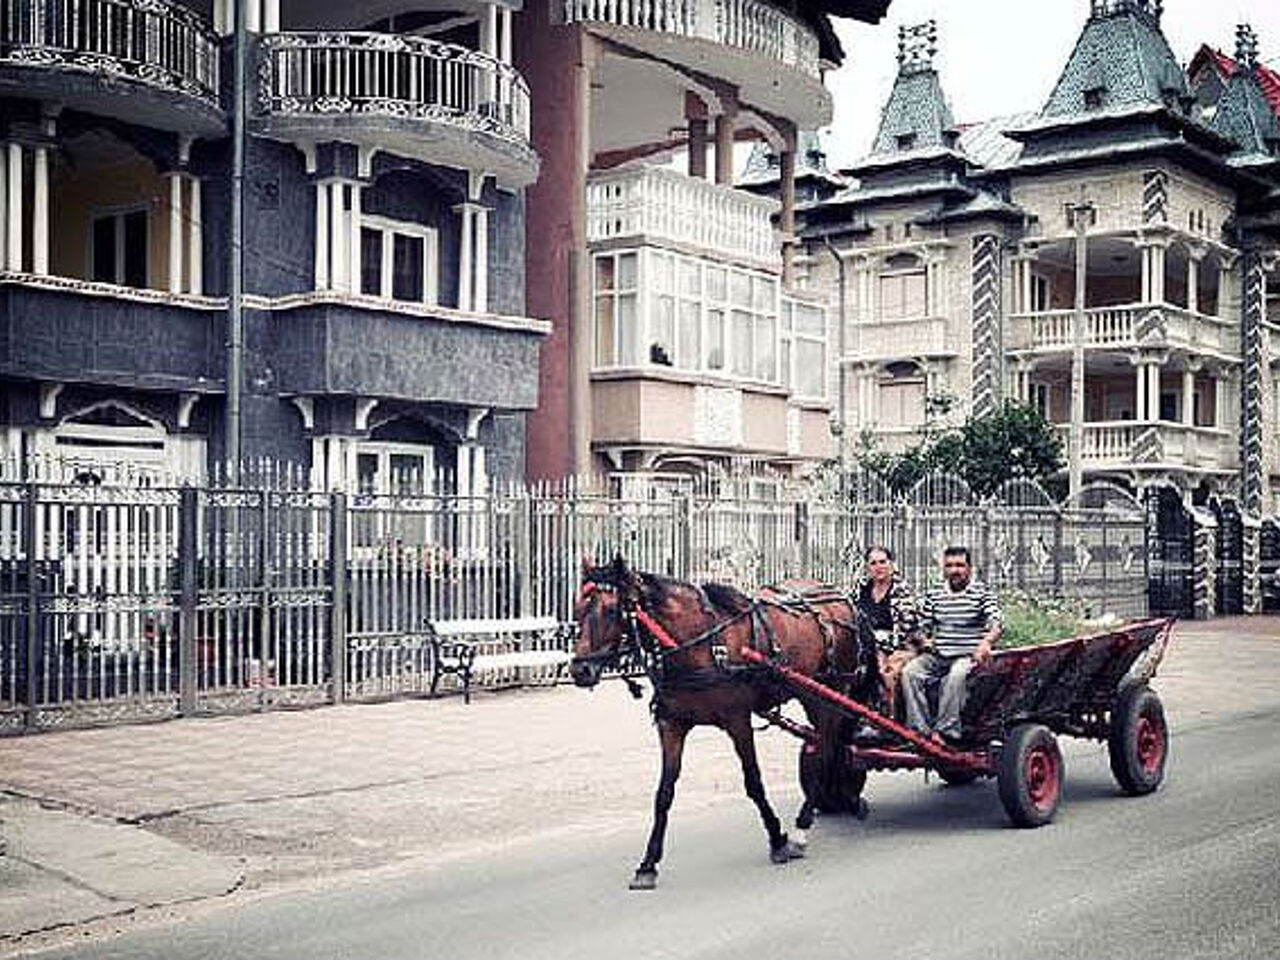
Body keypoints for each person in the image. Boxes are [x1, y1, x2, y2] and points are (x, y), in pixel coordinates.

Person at [902, 545, 1001, 745]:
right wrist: (923, 639)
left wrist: (986, 643)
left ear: (969, 569)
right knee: (910, 672)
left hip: (968, 656)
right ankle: (919, 731)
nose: (954, 570)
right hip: (939, 654)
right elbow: (921, 624)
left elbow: (996, 623)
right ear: (943, 569)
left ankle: (946, 731)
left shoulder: (982, 593)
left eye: (960, 565)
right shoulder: (935, 593)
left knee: (955, 676)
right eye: (949, 566)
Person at [853, 546, 925, 716]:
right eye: (873, 563)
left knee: (887, 672)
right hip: (863, 646)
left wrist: (876, 643)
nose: (878, 567)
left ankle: (890, 720)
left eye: (883, 562)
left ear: (891, 564)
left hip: (901, 647)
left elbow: (908, 631)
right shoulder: (860, 589)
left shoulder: (901, 590)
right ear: (867, 567)